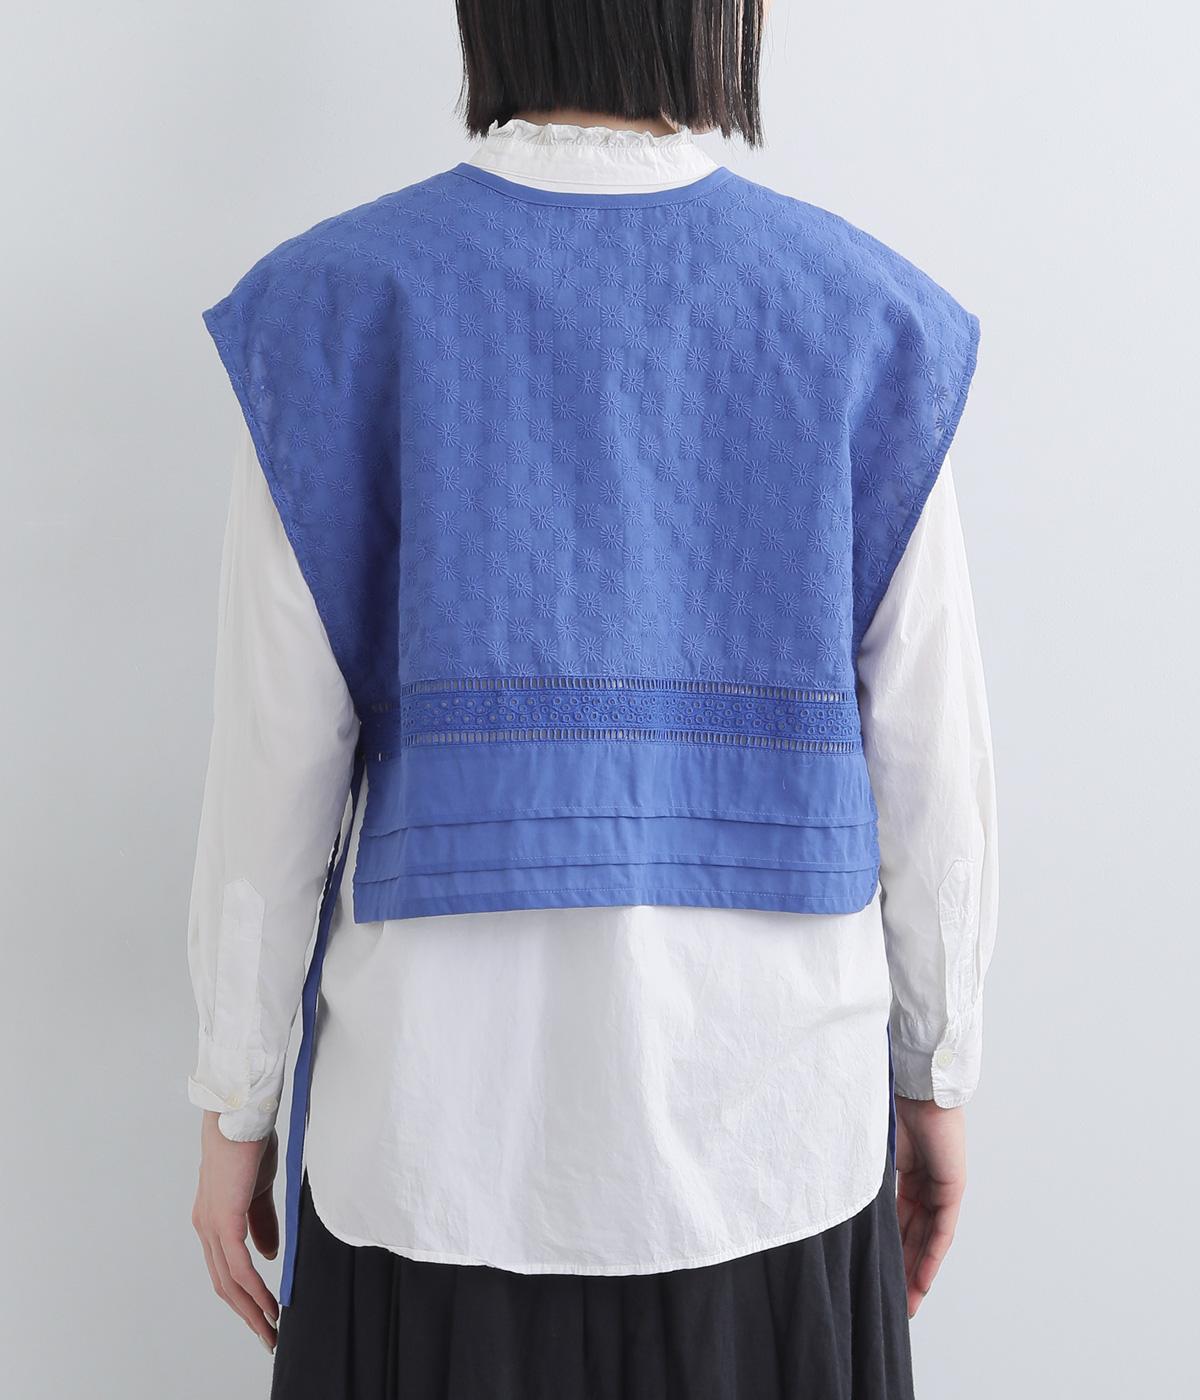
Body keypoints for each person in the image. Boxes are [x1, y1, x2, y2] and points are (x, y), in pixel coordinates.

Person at [186, 2, 998, 1396]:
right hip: (773, 1150)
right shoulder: (866, 320)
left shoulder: (335, 309)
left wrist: (233, 1102)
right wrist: (936, 1071)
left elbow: (274, 769)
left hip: (438, 1150)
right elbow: (931, 771)